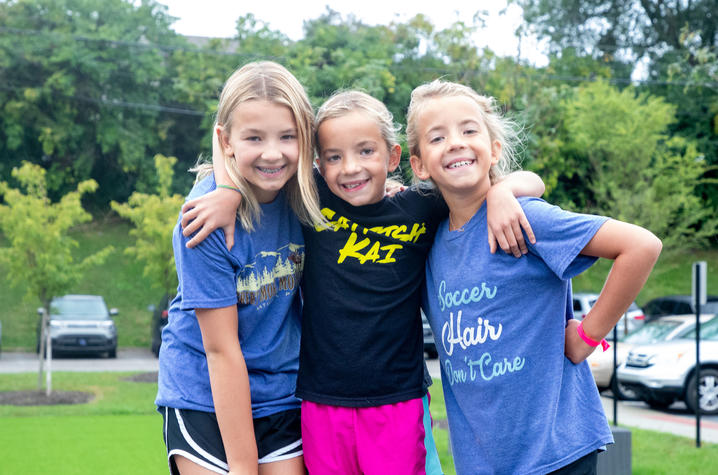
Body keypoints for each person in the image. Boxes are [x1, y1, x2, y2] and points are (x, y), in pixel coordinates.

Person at [181, 89, 545, 474]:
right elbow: (240, 147)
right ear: (317, 164)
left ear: (393, 157)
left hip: (397, 401)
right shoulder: (313, 200)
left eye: (366, 152)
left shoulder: (421, 206)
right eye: (334, 157)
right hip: (321, 403)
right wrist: (228, 191)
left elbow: (529, 180)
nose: (351, 168)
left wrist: (502, 190)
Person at [407, 79, 663, 474]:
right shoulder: (428, 244)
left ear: (494, 150)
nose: (456, 142)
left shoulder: (526, 216)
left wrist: (587, 337)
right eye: (437, 137)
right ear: (419, 163)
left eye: (469, 130)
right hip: (484, 462)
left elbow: (641, 247)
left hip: (556, 451)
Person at [155, 61, 325, 475]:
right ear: (226, 141)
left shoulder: (307, 195)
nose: (273, 153)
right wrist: (243, 468)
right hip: (204, 391)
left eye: (288, 136)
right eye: (254, 138)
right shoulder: (204, 220)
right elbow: (221, 350)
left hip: (281, 389)